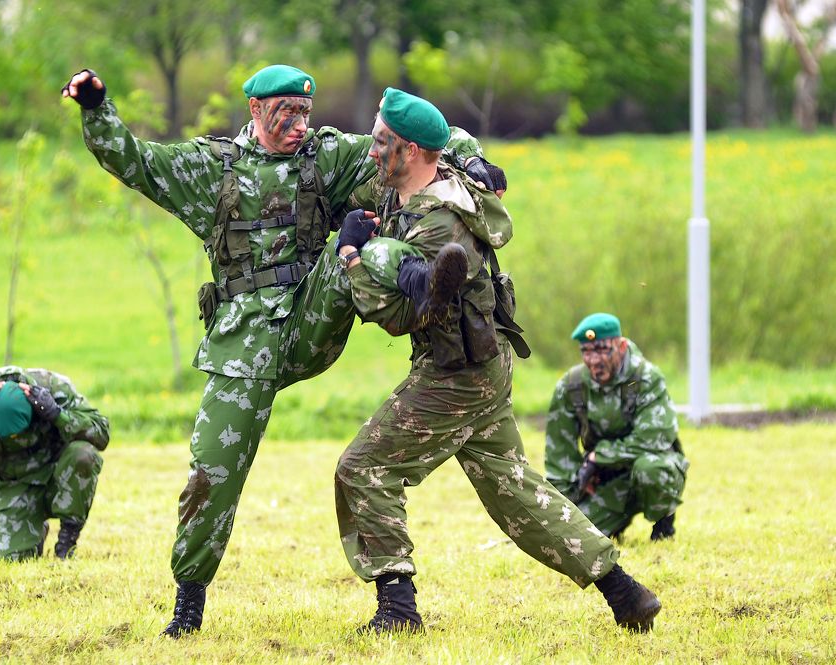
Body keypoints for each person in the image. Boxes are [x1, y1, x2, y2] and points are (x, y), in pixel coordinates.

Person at [62, 64, 505, 637]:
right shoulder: (209, 167)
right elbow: (134, 161)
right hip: (242, 347)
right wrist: (96, 106)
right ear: (255, 110)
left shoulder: (324, 158)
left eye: (305, 113)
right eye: (286, 113)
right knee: (210, 473)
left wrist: (469, 159)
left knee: (354, 244)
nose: (299, 124)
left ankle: (421, 281)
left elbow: (411, 139)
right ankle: (187, 607)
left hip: (309, 321)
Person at [333, 88, 662, 634]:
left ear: (410, 150)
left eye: (381, 143)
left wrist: (350, 256)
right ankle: (625, 593)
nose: (371, 152)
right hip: (485, 368)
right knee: (515, 491)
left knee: (363, 468)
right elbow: (451, 144)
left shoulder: (441, 224)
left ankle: (397, 608)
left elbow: (396, 316)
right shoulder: (436, 186)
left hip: (454, 375)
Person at [0, 366, 109, 561]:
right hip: (12, 487)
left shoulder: (55, 389)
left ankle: (66, 545)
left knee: (83, 454)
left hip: (55, 479)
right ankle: (34, 531)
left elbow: (101, 434)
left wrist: (58, 415)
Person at [544, 313, 688, 541]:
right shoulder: (571, 386)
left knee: (651, 471)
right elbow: (559, 459)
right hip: (605, 479)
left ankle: (663, 523)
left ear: (621, 347)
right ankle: (613, 523)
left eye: (601, 349)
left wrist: (597, 457)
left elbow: (652, 440)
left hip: (650, 465)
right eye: (586, 351)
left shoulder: (646, 378)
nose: (593, 360)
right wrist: (564, 507)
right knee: (576, 535)